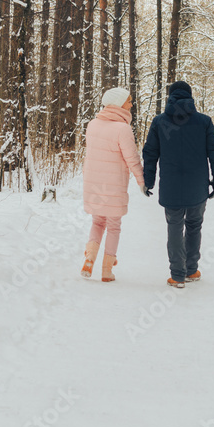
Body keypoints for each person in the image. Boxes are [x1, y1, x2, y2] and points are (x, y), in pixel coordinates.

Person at [142, 81, 214, 288]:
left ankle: (177, 275)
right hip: (197, 185)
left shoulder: (160, 122)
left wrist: (148, 182)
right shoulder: (203, 122)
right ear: (190, 97)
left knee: (174, 226)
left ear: (170, 98)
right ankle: (192, 270)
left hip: (171, 184)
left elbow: (150, 154)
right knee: (194, 225)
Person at [81, 87, 146, 282]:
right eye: (129, 101)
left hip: (93, 183)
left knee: (97, 221)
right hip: (114, 185)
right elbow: (132, 158)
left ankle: (89, 260)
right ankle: (107, 270)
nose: (131, 104)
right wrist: (141, 181)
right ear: (118, 104)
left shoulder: (92, 124)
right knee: (114, 226)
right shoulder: (122, 128)